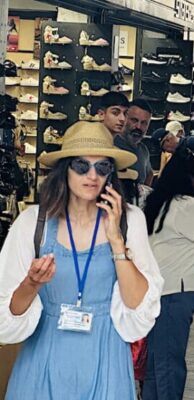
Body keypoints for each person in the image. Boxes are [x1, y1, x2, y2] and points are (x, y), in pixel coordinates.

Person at [0, 121, 163, 399]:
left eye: (103, 167)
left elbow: (140, 307)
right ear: (64, 169)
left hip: (105, 356)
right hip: (44, 356)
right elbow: (6, 313)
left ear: (111, 173)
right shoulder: (32, 223)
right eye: (81, 165)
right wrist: (31, 283)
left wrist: (116, 243)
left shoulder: (128, 220)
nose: (92, 175)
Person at [142, 149, 194, 400]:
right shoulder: (190, 206)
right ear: (189, 177)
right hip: (176, 292)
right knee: (170, 365)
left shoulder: (159, 202)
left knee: (156, 364)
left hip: (158, 289)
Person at [114, 99, 154, 186]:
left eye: (144, 123)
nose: (138, 127)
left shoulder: (143, 150)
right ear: (124, 118)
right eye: (134, 120)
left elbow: (149, 174)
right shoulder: (110, 145)